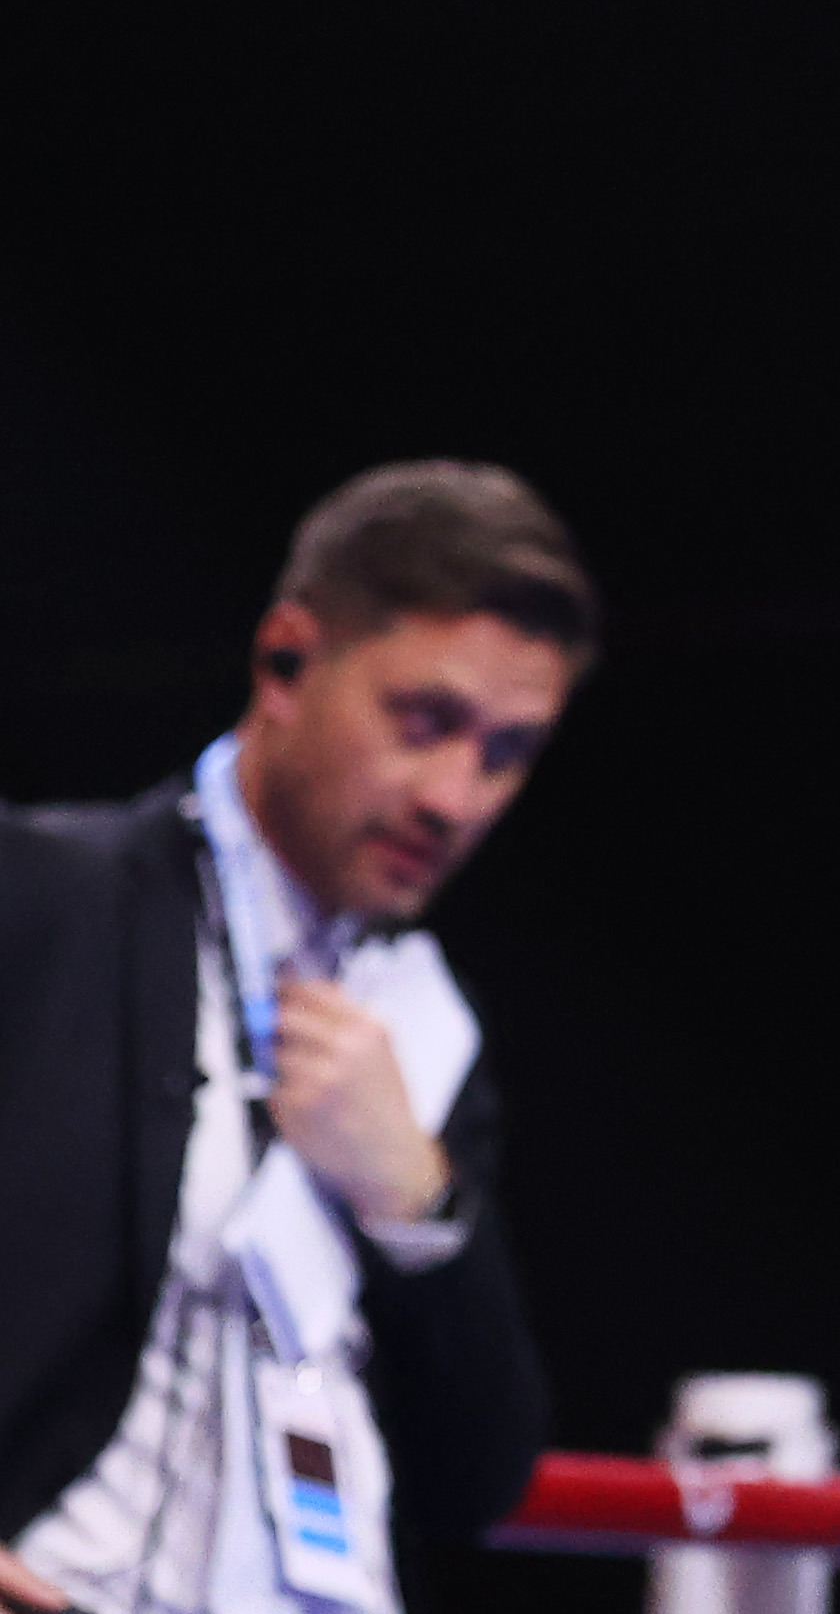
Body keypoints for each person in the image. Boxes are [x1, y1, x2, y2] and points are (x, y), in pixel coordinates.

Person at [1, 462, 592, 1614]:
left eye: (507, 753)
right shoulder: (50, 900)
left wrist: (418, 1202)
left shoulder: (425, 1030)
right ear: (286, 661)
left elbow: (479, 1475)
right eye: (426, 722)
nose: (457, 796)